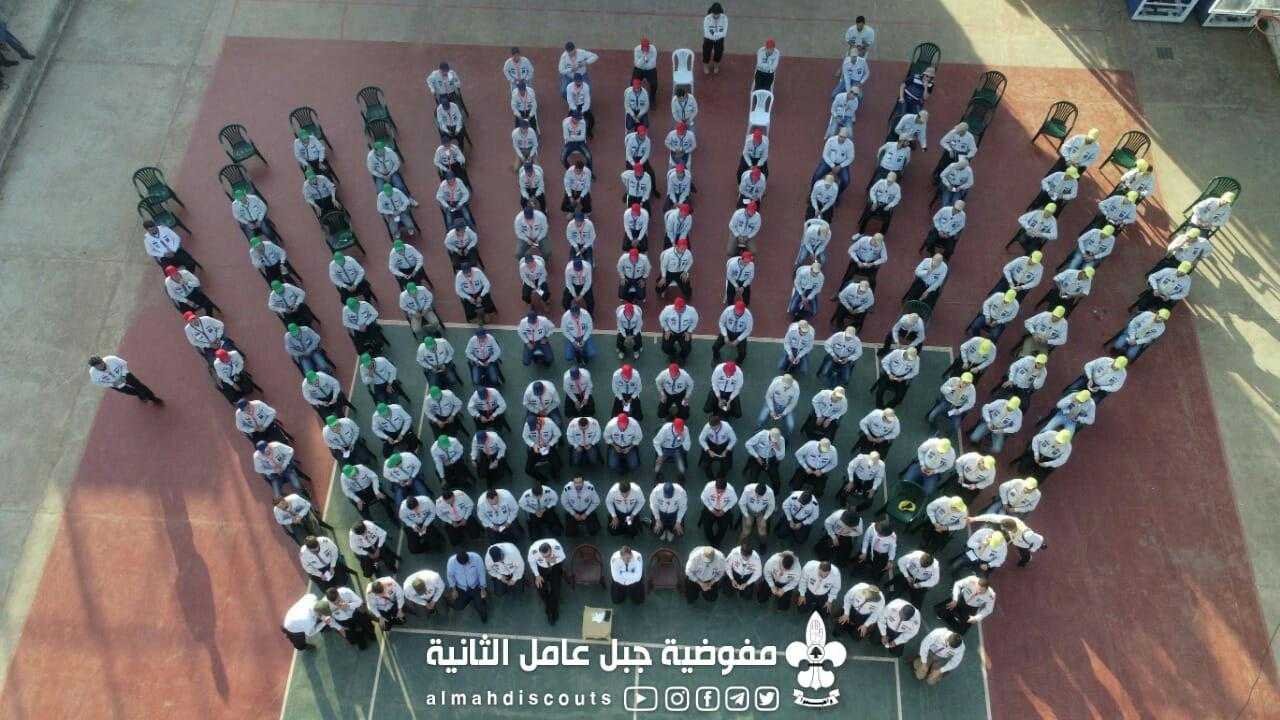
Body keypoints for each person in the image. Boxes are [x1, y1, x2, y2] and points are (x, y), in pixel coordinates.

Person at [87, 355, 161, 404]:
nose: (101, 366)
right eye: (97, 366)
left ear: (102, 360)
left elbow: (123, 364)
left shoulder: (111, 359)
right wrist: (112, 384)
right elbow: (98, 383)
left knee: (140, 386)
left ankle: (153, 398)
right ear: (94, 367)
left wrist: (123, 376)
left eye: (101, 363)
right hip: (115, 384)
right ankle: (139, 394)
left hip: (125, 375)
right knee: (129, 391)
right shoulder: (93, 374)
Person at [528, 539, 567, 624]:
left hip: (555, 566)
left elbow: (563, 556)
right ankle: (549, 606)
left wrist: (554, 560)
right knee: (540, 588)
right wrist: (537, 575)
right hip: (541, 568)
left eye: (548, 555)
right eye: (544, 556)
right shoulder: (533, 550)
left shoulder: (556, 546)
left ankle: (553, 610)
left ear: (551, 549)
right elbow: (531, 562)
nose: (546, 558)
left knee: (556, 590)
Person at [1063, 355, 1128, 404]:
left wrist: (1101, 388)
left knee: (1093, 403)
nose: (1114, 368)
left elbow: (1116, 387)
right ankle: (1064, 399)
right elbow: (1088, 366)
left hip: (1101, 389)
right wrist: (1090, 378)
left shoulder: (1122, 374)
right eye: (1114, 366)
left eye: (1117, 368)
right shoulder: (1104, 360)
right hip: (1089, 378)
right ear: (1114, 360)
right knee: (1072, 388)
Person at [446, 550, 490, 622]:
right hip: (461, 588)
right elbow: (450, 576)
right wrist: (454, 590)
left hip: (476, 586)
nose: (464, 565)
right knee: (458, 606)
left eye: (466, 563)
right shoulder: (451, 562)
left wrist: (483, 589)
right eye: (462, 564)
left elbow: (481, 573)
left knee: (480, 606)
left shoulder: (477, 558)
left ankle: (480, 607)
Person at [744, 428, 786, 496]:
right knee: (753, 479)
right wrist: (757, 457)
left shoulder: (781, 440)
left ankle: (776, 493)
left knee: (776, 480)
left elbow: (781, 457)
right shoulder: (762, 434)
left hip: (771, 459)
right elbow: (748, 444)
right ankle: (751, 492)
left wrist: (777, 449)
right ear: (769, 435)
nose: (773, 442)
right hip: (758, 457)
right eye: (771, 440)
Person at [698, 476, 738, 544]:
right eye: (717, 490)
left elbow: (734, 500)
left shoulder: (730, 490)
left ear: (725, 488)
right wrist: (711, 509)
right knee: (706, 525)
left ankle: (716, 541)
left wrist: (724, 510)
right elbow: (703, 498)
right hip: (711, 507)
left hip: (723, 509)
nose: (719, 493)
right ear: (715, 486)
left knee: (724, 527)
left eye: (722, 491)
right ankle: (711, 539)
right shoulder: (709, 487)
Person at [653, 418, 692, 483]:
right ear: (673, 425)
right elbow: (656, 442)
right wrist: (660, 455)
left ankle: (680, 477)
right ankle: (658, 475)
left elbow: (687, 444)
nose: (679, 431)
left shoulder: (685, 429)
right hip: (665, 449)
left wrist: (682, 438)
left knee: (682, 469)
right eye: (677, 429)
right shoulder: (665, 429)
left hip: (677, 449)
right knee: (656, 468)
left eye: (681, 429)